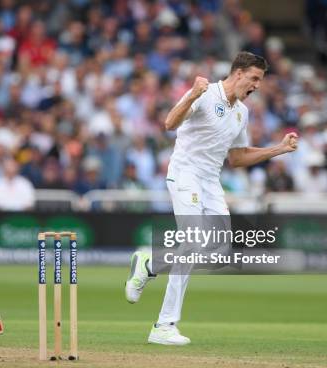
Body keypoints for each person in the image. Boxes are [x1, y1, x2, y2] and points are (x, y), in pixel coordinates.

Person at [124, 52, 298, 345]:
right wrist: (191, 94)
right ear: (239, 73)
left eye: (261, 80)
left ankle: (149, 264)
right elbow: (169, 123)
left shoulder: (242, 112)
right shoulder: (205, 94)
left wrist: (277, 150)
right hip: (185, 173)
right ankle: (163, 325)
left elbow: (238, 158)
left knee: (218, 249)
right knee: (191, 242)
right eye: (254, 78)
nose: (257, 85)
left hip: (210, 181)